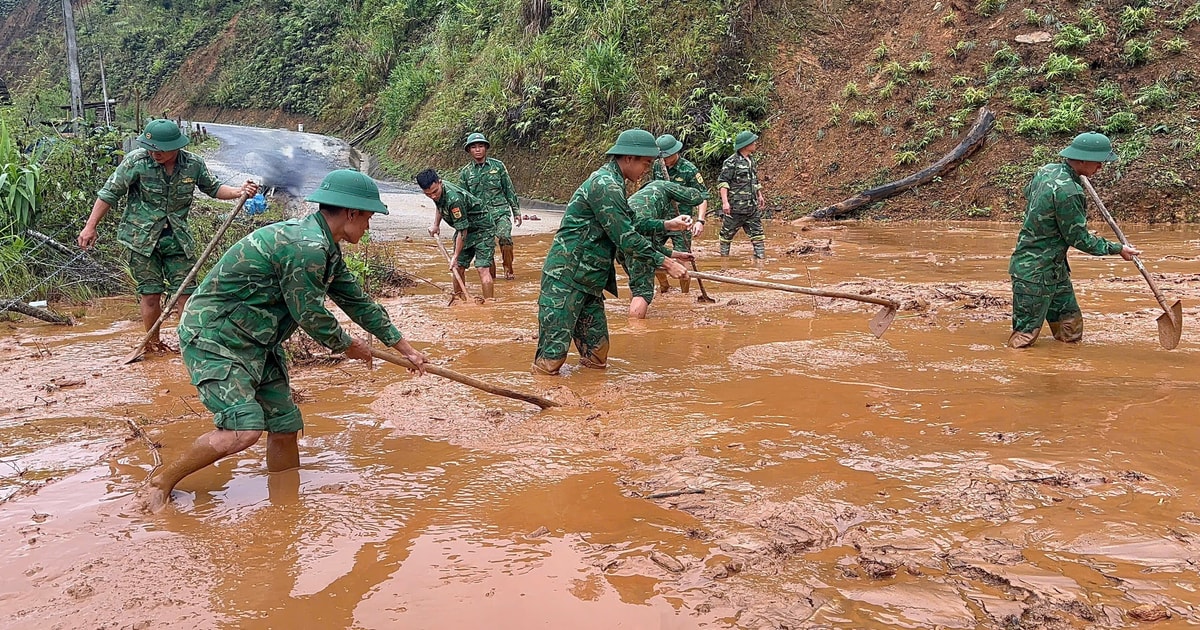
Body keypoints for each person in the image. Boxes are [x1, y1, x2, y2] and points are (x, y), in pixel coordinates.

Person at [142, 169, 427, 512]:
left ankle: (285, 508)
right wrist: (349, 346)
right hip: (216, 336)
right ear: (351, 213)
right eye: (367, 219)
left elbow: (359, 302)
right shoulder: (305, 247)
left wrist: (405, 349)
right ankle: (161, 482)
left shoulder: (326, 248)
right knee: (243, 429)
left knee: (284, 424)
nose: (367, 228)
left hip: (256, 340)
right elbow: (309, 313)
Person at [78, 119, 257, 352]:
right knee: (151, 294)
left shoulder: (193, 164)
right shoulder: (136, 161)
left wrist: (239, 192)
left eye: (161, 149)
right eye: (152, 148)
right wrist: (90, 226)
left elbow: (213, 188)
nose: (155, 153)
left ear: (176, 146)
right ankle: (153, 345)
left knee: (185, 294)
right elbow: (109, 194)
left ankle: (188, 346)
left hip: (178, 239)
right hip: (141, 241)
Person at [533, 129, 692, 375]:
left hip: (590, 281)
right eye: (646, 163)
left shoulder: (615, 184)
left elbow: (630, 222)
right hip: (566, 279)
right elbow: (626, 238)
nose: (647, 170)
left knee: (597, 355)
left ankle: (590, 405)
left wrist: (666, 227)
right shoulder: (604, 185)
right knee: (551, 359)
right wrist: (665, 263)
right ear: (628, 158)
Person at [1008, 132, 1140, 348]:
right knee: (1024, 338)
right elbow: (1080, 239)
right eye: (1098, 162)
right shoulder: (1069, 192)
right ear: (1081, 159)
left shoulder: (1046, 171)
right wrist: (1118, 249)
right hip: (1034, 273)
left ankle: (1063, 375)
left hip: (1055, 270)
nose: (1100, 167)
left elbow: (1027, 194)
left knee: (1070, 328)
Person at [620, 180, 705, 319]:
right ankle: (637, 332)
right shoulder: (664, 186)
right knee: (642, 292)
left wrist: (676, 254)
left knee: (637, 283)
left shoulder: (639, 199)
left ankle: (635, 317)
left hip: (621, 238)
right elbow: (696, 197)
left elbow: (647, 244)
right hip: (637, 238)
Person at [419, 169, 497, 301]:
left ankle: (490, 306)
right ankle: (459, 301)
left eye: (434, 192)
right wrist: (436, 224)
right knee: (458, 267)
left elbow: (462, 231)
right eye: (428, 194)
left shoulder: (454, 200)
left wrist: (455, 256)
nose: (433, 196)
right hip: (466, 228)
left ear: (440, 183)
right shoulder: (436, 193)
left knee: (482, 269)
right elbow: (439, 206)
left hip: (483, 229)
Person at [458, 133, 522, 280]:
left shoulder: (498, 166)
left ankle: (508, 269)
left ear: (486, 148)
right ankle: (491, 277)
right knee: (487, 246)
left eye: (480, 146)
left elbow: (509, 189)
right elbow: (463, 199)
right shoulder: (465, 173)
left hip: (500, 212)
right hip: (480, 217)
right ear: (469, 150)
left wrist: (516, 211)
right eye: (474, 147)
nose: (478, 150)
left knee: (505, 237)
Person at [651, 133, 708, 294]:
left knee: (683, 260)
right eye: (661, 157)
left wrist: (700, 221)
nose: (664, 160)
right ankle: (664, 286)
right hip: (659, 220)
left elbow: (702, 196)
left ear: (676, 152)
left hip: (682, 222)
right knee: (651, 254)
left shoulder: (689, 170)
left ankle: (684, 294)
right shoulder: (657, 166)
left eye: (667, 157)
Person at [717, 130, 766, 260]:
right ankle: (724, 263)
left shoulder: (751, 160)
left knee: (758, 235)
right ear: (745, 145)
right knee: (726, 236)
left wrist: (759, 195)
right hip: (735, 208)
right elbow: (723, 182)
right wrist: (725, 202)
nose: (755, 143)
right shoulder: (731, 162)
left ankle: (760, 262)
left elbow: (754, 180)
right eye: (752, 142)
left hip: (751, 207)